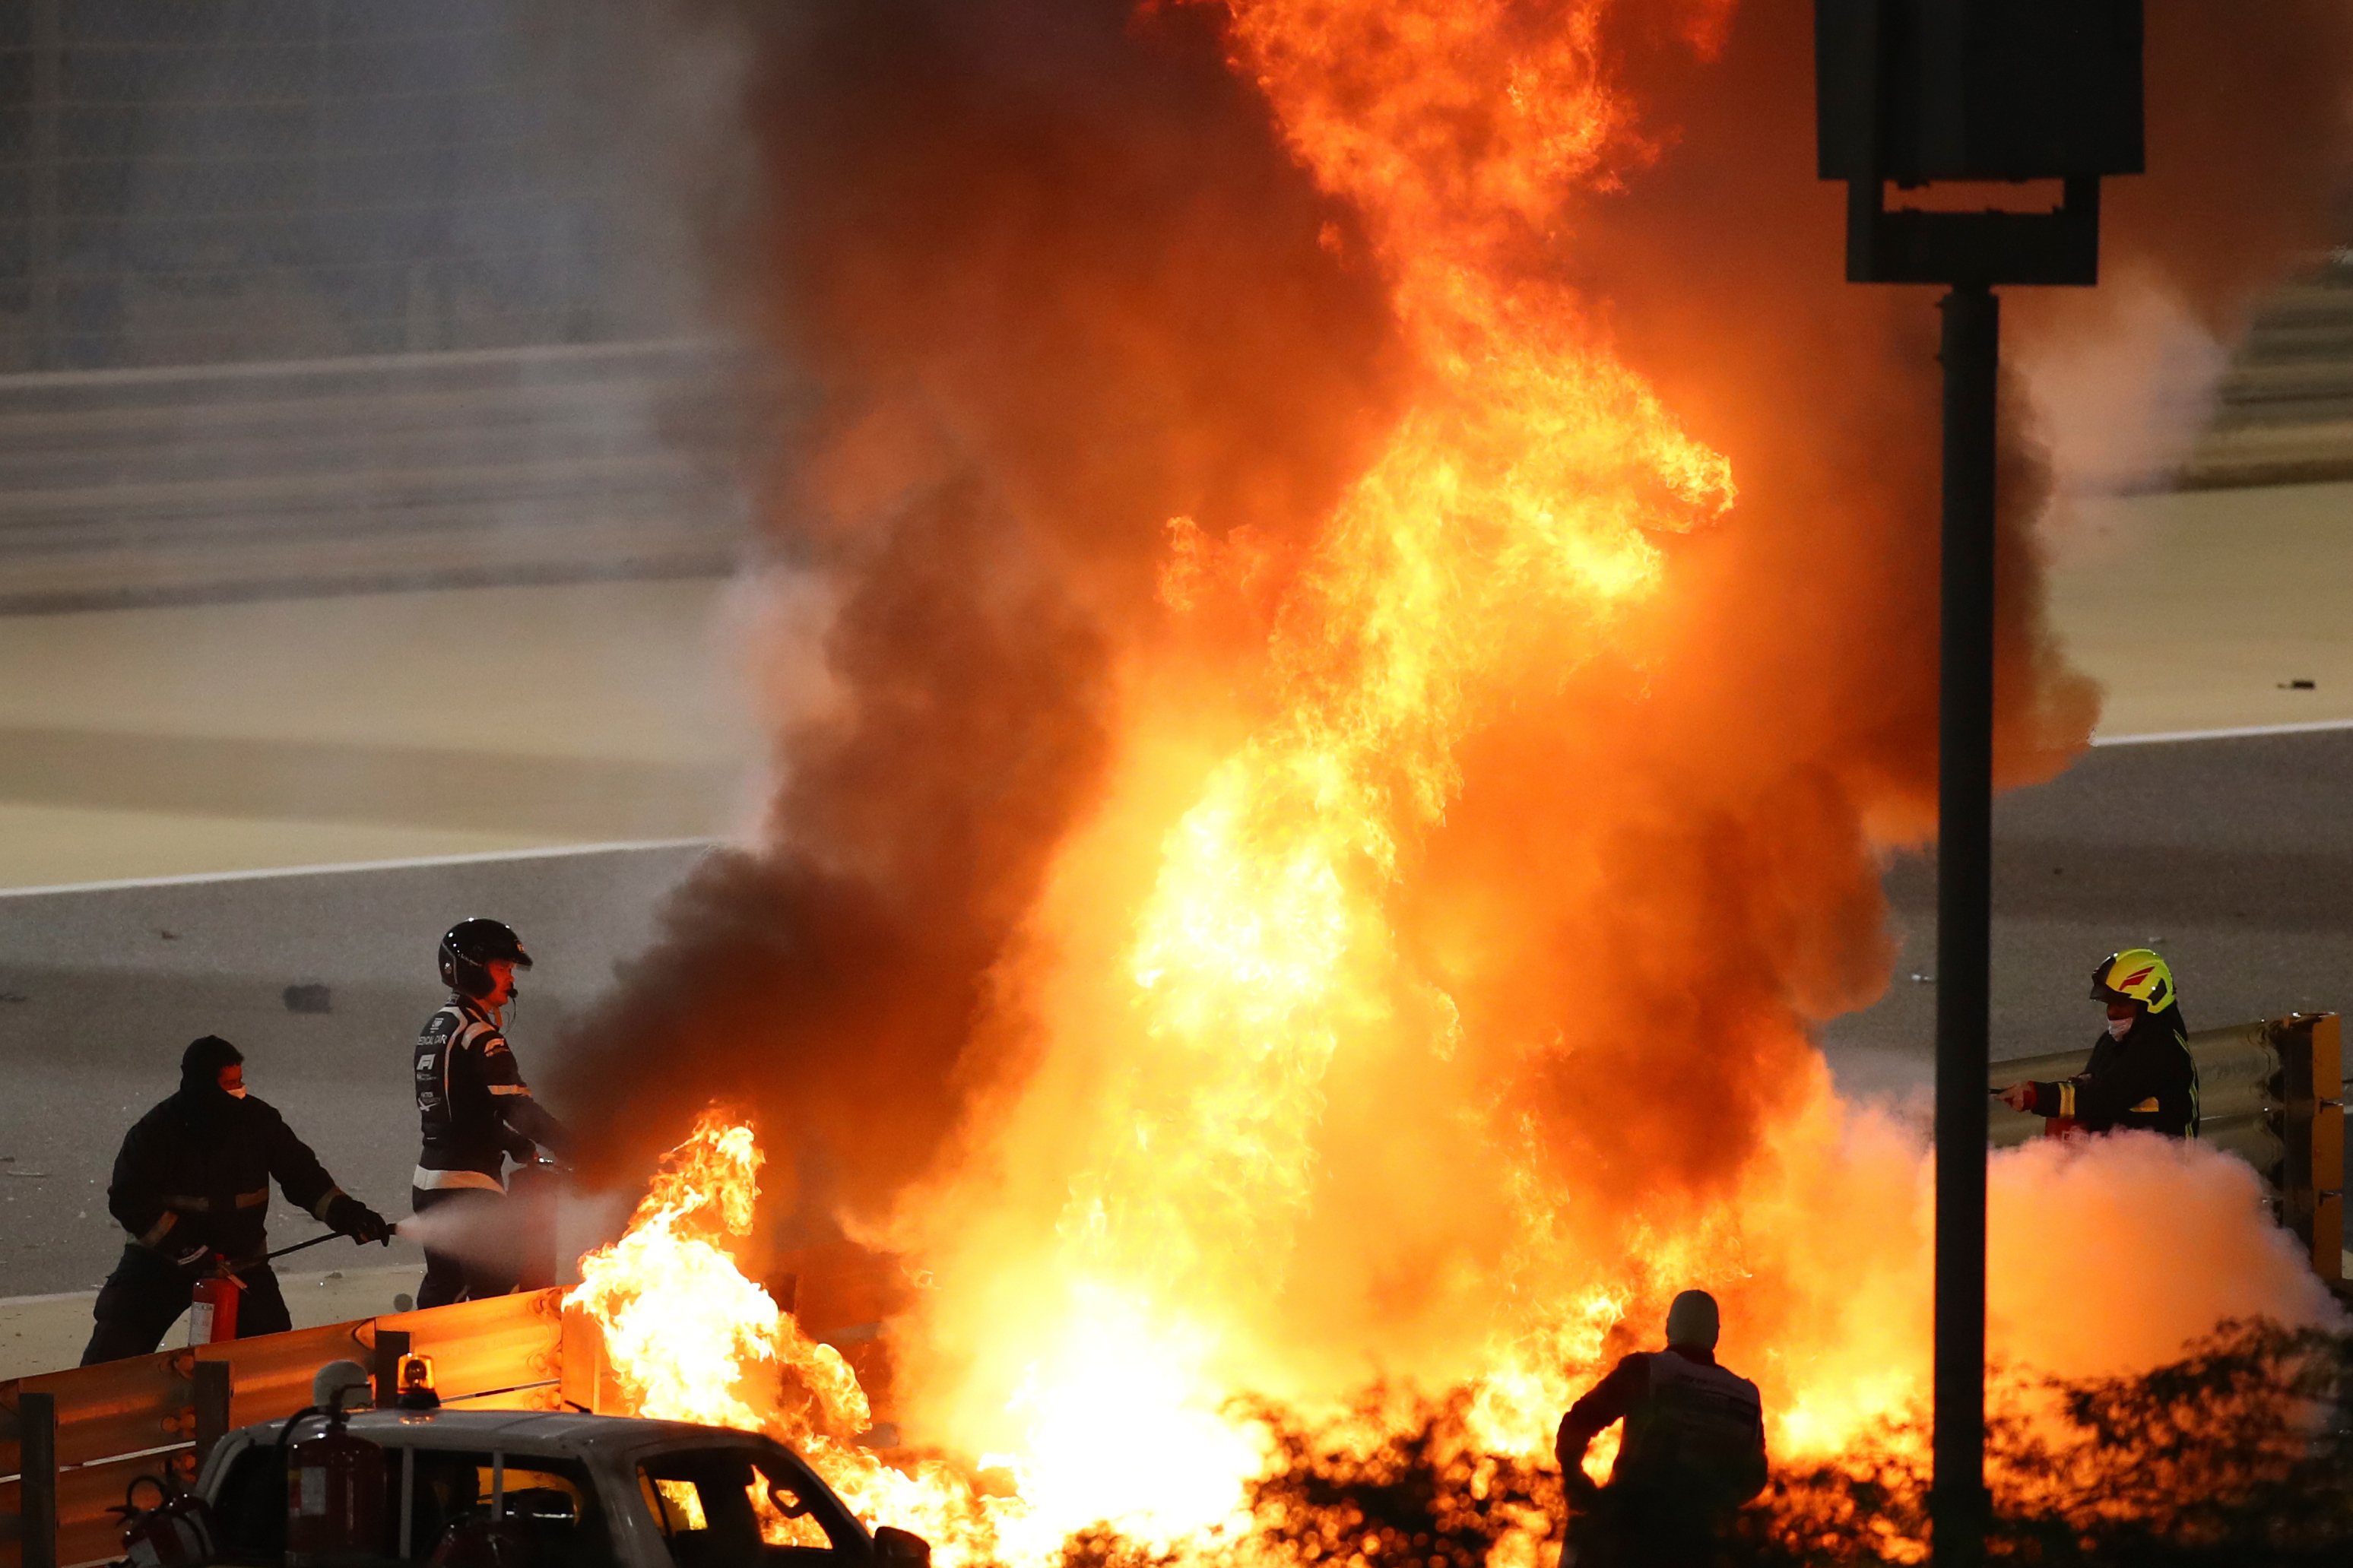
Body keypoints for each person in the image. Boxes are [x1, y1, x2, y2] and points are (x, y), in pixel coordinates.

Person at [83, 1035, 391, 1365]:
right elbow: (130, 1199)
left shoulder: (259, 1121)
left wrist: (350, 1215)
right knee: (117, 1344)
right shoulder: (157, 1131)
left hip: (241, 1264)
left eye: (240, 1081)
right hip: (161, 1263)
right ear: (201, 1086)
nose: (239, 1090)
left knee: (269, 1354)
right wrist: (184, 1248)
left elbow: (304, 1178)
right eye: (230, 1083)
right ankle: (86, 1408)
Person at [412, 918, 571, 1307]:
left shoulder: (438, 1025)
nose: (510, 980)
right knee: (496, 1300)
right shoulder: (479, 1034)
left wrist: (514, 1144)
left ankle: (412, 1362)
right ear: (470, 968)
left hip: (431, 1182)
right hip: (469, 1189)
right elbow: (518, 1108)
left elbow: (459, 1112)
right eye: (502, 968)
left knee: (444, 1295)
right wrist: (582, 1149)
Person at [1555, 1290, 1767, 1568]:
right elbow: (1756, 1476)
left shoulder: (1648, 1371)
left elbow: (1577, 1424)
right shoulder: (1746, 1396)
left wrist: (1576, 1480)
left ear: (1669, 1326)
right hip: (1705, 1546)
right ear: (1715, 1334)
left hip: (1631, 1534)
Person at [1995, 949, 2199, 1138]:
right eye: (2109, 1003)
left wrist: (2037, 1096)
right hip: (2124, 1166)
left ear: (2152, 1000)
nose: (2112, 1012)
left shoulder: (2160, 1049)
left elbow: (2103, 1099)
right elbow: (2090, 1092)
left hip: (2164, 1169)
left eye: (2121, 1003)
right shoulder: (2112, 1042)